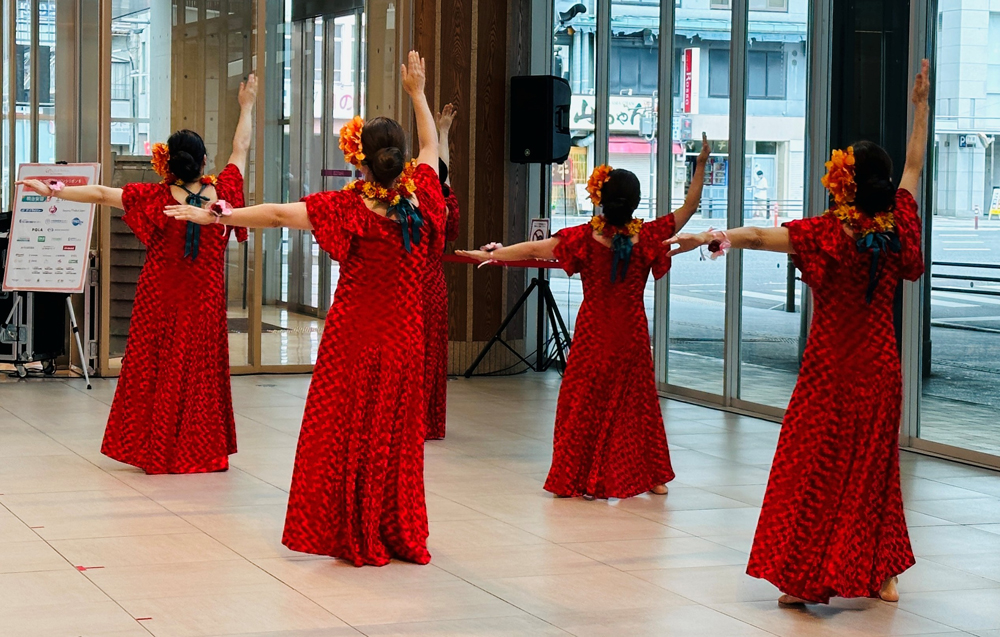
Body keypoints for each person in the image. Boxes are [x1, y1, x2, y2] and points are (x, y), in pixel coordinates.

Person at [666, 60, 930, 605]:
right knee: (873, 473)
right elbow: (914, 168)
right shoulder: (898, 222)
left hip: (830, 372)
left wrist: (715, 236)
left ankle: (807, 578)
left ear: (844, 183)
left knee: (815, 471)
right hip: (881, 370)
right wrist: (921, 108)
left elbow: (764, 236)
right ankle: (883, 573)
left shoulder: (830, 232)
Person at [165, 51, 443, 566]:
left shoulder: (346, 206)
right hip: (405, 341)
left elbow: (272, 214)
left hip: (353, 339)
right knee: (393, 437)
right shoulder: (423, 196)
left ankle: (347, 528)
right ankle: (391, 525)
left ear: (360, 161)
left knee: (341, 433)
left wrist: (214, 217)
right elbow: (431, 145)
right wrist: (418, 93)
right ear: (400, 160)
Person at [18, 76, 258, 474]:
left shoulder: (154, 197)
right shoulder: (225, 192)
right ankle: (199, 451)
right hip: (205, 299)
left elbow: (98, 194)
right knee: (199, 371)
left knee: (157, 369)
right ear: (202, 162)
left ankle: (157, 448)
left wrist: (52, 190)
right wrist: (246, 105)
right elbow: (241, 148)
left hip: (159, 297)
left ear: (169, 163)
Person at [458, 135, 711, 499]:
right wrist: (699, 163)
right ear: (636, 204)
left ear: (601, 202)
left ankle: (570, 477)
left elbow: (534, 249)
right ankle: (652, 476)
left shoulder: (583, 238)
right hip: (632, 334)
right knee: (638, 403)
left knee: (582, 403)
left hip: (594, 334)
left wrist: (493, 255)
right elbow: (689, 206)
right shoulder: (651, 235)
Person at [423, 102, 461, 441]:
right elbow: (442, 170)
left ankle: (411, 417)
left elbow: (439, 169)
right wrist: (443, 132)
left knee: (415, 351)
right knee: (431, 351)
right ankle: (429, 420)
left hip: (412, 283)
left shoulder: (415, 203)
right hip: (434, 284)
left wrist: (441, 132)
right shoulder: (445, 202)